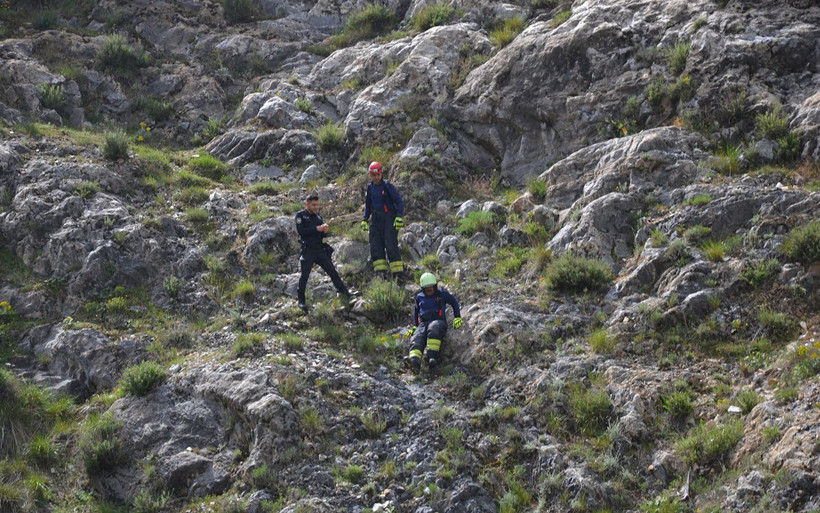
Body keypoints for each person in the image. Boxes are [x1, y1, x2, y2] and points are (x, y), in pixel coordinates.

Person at [295, 193, 355, 312]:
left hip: (320, 250)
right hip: (308, 250)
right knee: (304, 276)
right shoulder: (301, 216)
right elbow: (301, 231)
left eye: (317, 205)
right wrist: (316, 229)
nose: (316, 207)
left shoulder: (318, 217)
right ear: (307, 204)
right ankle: (301, 301)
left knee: (332, 271)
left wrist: (325, 231)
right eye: (313, 205)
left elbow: (322, 234)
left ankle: (344, 292)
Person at [403, 272, 463, 373]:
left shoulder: (442, 294)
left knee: (433, 327)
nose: (429, 290)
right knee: (417, 336)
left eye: (431, 287)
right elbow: (416, 312)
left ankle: (432, 357)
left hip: (438, 322)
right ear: (422, 288)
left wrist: (457, 317)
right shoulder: (419, 297)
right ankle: (414, 363)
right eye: (427, 288)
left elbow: (454, 302)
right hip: (423, 323)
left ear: (435, 286)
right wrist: (415, 327)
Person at [361, 161, 405, 280]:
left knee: (390, 246)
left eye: (378, 175)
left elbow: (399, 201)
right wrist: (365, 219)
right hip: (376, 219)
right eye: (373, 175)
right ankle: (381, 274)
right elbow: (368, 204)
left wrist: (399, 216)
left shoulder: (387, 186)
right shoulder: (370, 188)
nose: (376, 178)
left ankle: (398, 276)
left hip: (389, 218)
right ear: (370, 175)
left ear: (381, 174)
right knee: (376, 246)